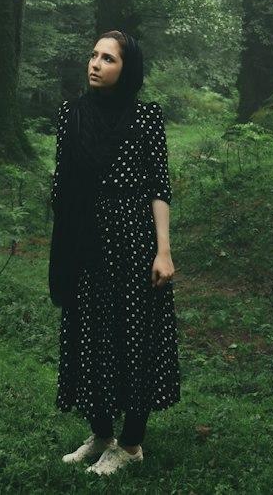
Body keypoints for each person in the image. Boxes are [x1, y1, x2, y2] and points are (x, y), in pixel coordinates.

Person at [49, 30, 180, 475]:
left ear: (127, 69)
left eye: (108, 59)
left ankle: (130, 445)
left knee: (134, 338)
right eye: (93, 55)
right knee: (89, 334)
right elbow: (61, 181)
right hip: (85, 239)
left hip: (133, 241)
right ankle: (102, 434)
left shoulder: (146, 118)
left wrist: (162, 251)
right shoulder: (72, 113)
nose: (95, 64)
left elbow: (159, 189)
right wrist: (65, 244)